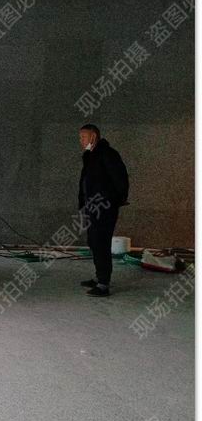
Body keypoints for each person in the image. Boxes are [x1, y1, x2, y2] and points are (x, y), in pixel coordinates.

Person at [77, 124, 129, 297]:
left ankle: (103, 284)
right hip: (92, 208)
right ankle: (99, 277)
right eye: (80, 138)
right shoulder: (90, 156)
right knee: (94, 242)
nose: (81, 141)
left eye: (83, 137)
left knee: (101, 243)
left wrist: (114, 201)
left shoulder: (108, 154)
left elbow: (121, 179)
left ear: (93, 137)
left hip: (104, 208)